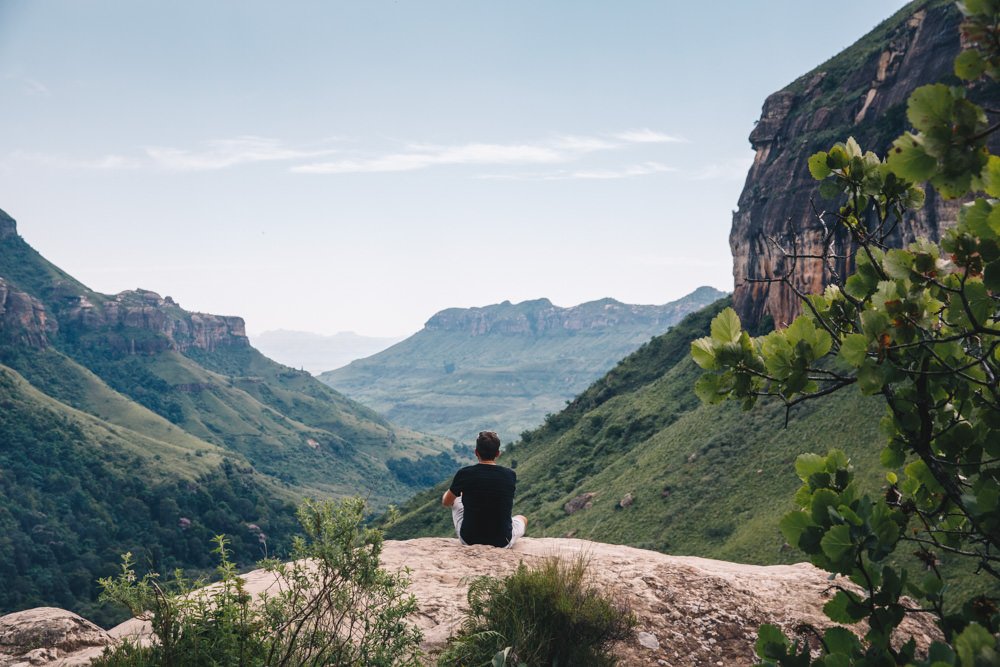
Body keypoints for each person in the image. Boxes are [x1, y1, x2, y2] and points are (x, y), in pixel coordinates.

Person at [442, 430, 528, 548]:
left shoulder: (465, 474)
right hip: (503, 541)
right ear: (498, 453)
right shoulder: (510, 475)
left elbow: (446, 502)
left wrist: (459, 490)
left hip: (469, 540)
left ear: (476, 452)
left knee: (456, 499)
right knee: (522, 518)